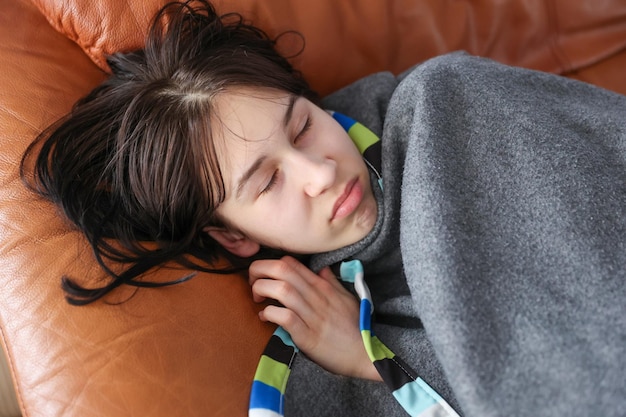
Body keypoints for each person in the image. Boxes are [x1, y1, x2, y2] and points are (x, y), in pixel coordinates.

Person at [21, 1, 626, 416]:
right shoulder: (326, 326)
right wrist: (371, 362)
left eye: (303, 126)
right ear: (233, 237)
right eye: (267, 183)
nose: (320, 173)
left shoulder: (446, 103)